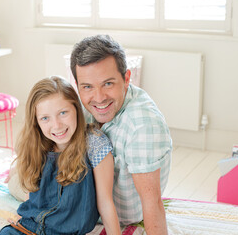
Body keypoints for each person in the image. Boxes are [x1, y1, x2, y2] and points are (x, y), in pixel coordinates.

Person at [70, 35, 172, 235]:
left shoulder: (142, 124)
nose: (99, 98)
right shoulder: (78, 107)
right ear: (78, 85)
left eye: (108, 84)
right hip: (83, 206)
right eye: (88, 87)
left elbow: (152, 203)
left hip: (120, 217)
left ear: (126, 79)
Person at [0, 76, 120, 235]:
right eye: (45, 118)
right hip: (29, 226)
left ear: (76, 109)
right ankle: (13, 173)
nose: (57, 125)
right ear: (36, 121)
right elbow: (33, 192)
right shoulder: (38, 143)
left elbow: (105, 203)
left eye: (63, 113)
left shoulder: (95, 144)